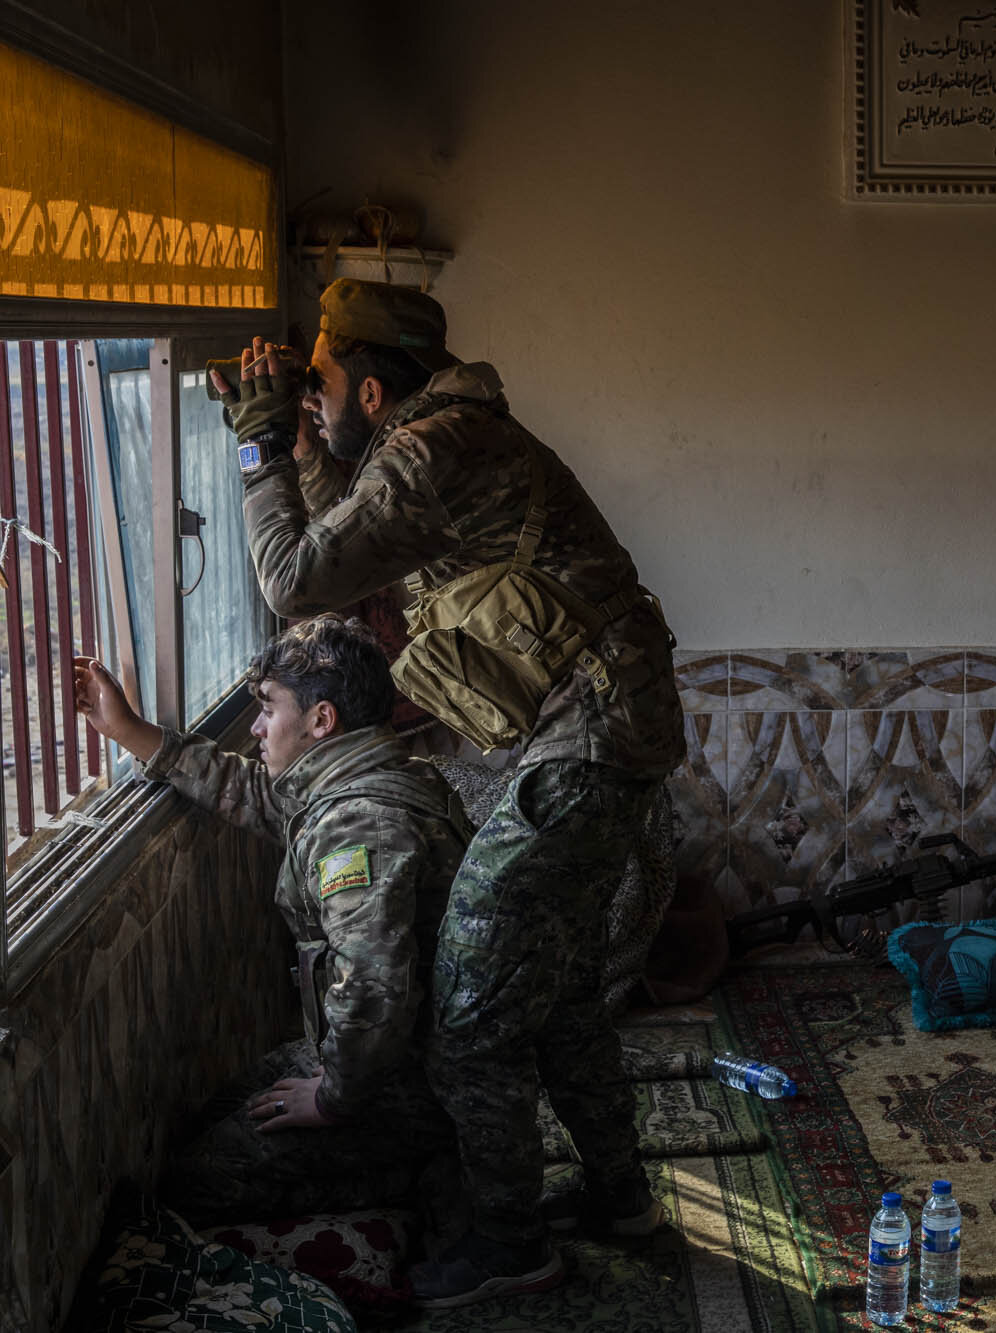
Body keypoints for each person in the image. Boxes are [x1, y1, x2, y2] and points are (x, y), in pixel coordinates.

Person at [211, 279, 686, 1308]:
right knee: (554, 987)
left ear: (375, 392)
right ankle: (620, 1199)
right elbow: (349, 527)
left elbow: (299, 579)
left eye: (325, 382)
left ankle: (511, 1241)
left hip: (586, 740)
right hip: (599, 732)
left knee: (469, 1005)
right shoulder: (437, 444)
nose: (314, 399)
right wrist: (299, 438)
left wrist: (258, 447)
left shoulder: (437, 448)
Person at [71, 617, 466, 1223]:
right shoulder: (365, 776)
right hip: (390, 1060)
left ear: (321, 721)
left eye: (267, 709)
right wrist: (130, 732)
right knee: (216, 1110)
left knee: (198, 1180)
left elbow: (372, 991)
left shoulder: (359, 825)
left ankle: (423, 1177)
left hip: (405, 1085)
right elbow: (251, 792)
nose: (255, 727)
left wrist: (334, 1102)